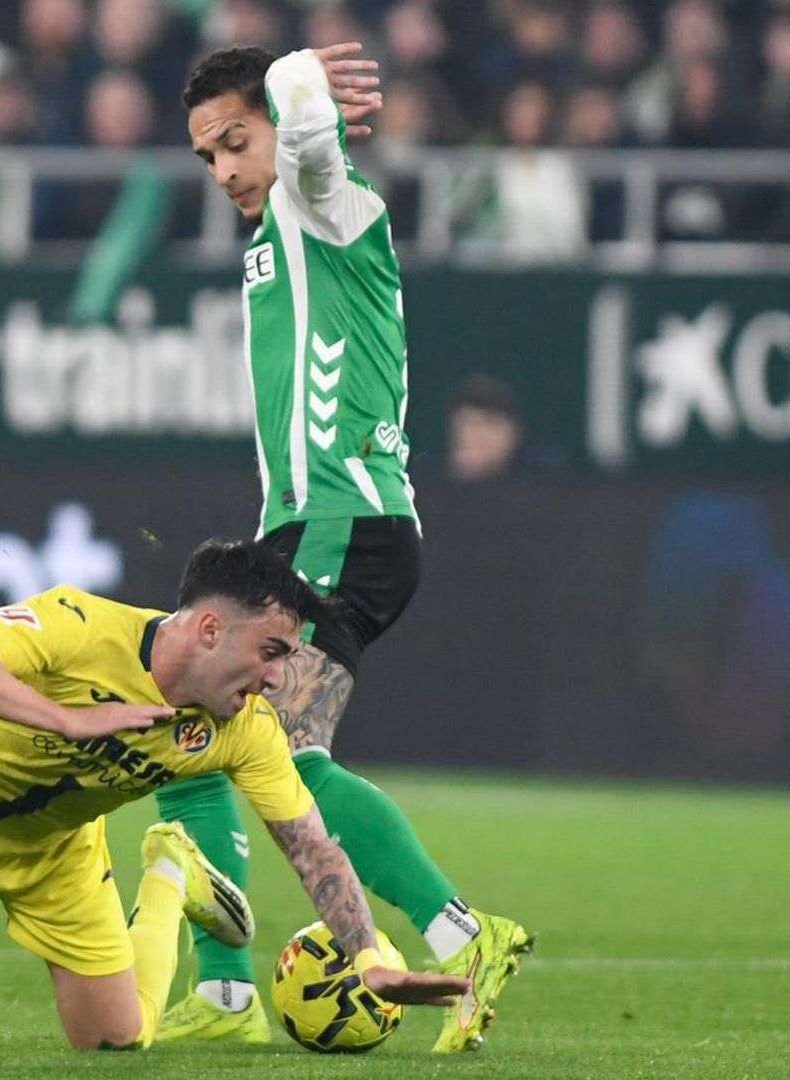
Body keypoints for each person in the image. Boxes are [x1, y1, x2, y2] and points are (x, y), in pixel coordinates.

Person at [163, 43, 533, 1051]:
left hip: (345, 518)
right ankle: (231, 993)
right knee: (188, 728)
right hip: (305, 523)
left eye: (236, 143)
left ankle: (463, 934)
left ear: (279, 130)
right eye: (206, 157)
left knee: (269, 747)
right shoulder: (275, 224)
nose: (226, 171)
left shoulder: (325, 201)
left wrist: (293, 70)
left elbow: (305, 121)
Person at [0, 539, 470, 1049]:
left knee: (116, 1044)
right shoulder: (81, 626)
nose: (275, 679)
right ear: (210, 630)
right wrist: (67, 718)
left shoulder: (244, 731)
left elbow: (313, 848)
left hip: (53, 859)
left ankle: (170, 870)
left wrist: (368, 959)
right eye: (270, 651)